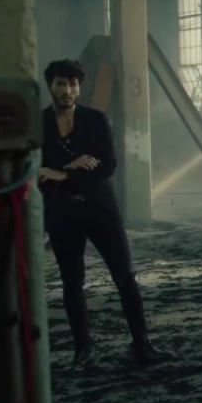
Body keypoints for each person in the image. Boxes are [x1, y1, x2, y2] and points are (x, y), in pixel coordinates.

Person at [38, 59, 172, 368]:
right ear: (50, 86)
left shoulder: (95, 120)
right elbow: (37, 171)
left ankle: (142, 344)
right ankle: (83, 348)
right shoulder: (39, 124)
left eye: (72, 84)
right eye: (60, 83)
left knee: (125, 276)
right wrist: (72, 167)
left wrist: (62, 174)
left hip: (101, 210)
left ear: (79, 87)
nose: (67, 90)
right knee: (72, 282)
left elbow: (107, 165)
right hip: (62, 214)